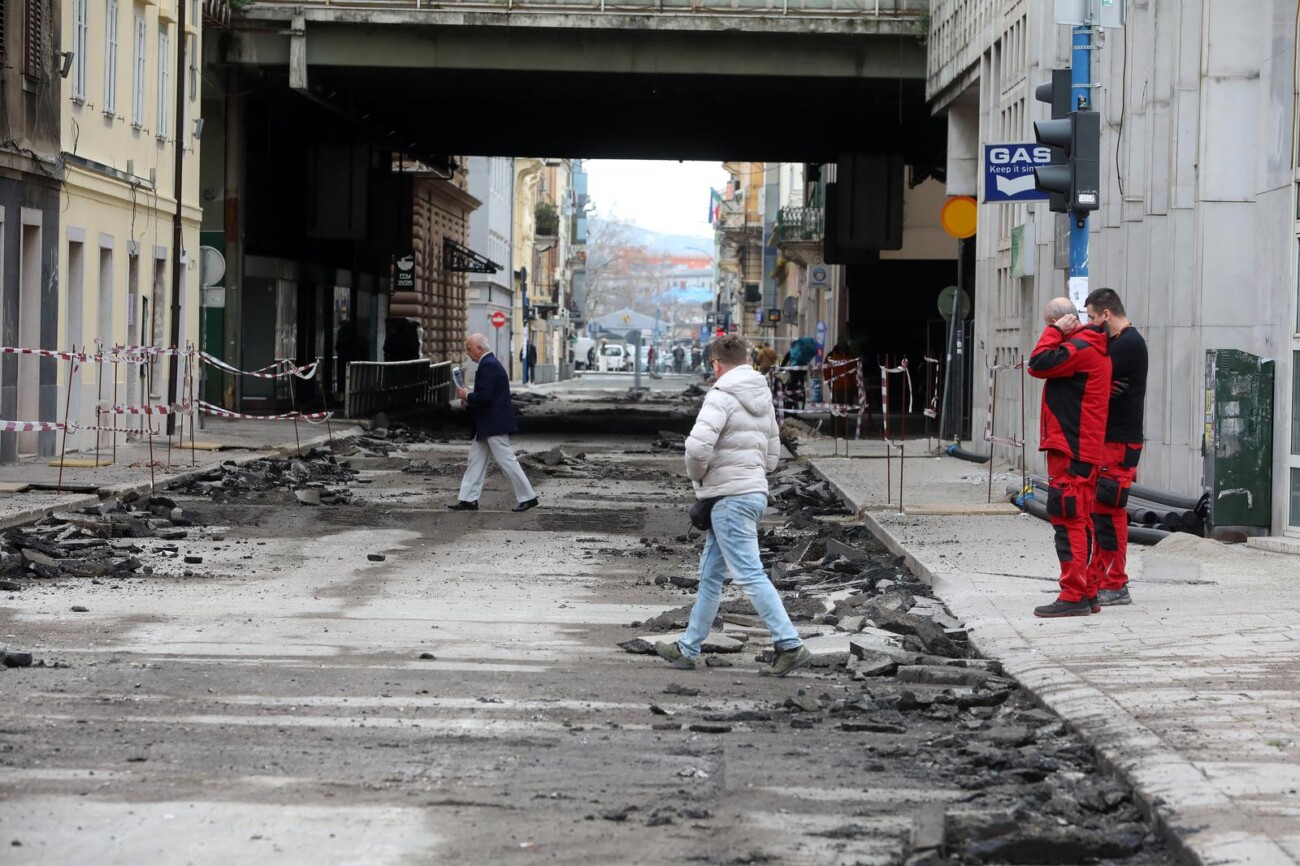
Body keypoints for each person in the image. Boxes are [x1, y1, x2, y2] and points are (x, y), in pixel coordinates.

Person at [655, 334, 811, 677]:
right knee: (711, 576)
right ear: (746, 360)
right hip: (751, 493)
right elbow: (772, 456)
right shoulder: (763, 397)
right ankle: (687, 648)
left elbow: (697, 449)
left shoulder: (721, 395)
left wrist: (699, 480)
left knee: (749, 574)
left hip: (728, 499)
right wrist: (749, 474)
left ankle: (790, 644)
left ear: (716, 364)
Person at [1026, 297, 1111, 618]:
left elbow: (1037, 363)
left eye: (1050, 324)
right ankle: (1087, 592)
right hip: (1082, 448)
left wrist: (1054, 332)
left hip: (1071, 448)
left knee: (1068, 518)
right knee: (1081, 519)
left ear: (1061, 322)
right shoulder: (1091, 347)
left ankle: (1073, 594)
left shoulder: (1079, 348)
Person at [1084, 288, 1147, 607]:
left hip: (1119, 442)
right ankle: (1103, 580)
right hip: (1111, 441)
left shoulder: (1128, 344)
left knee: (1108, 511)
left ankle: (1115, 582)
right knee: (1104, 511)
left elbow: (1091, 378)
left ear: (1106, 314)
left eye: (1092, 317)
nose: (1091, 324)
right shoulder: (1120, 343)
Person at [450, 333, 540, 513]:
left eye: (469, 349)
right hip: (487, 423)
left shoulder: (488, 365)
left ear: (479, 348)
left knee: (506, 460)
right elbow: (486, 395)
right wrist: (469, 398)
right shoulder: (489, 363)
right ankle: (468, 499)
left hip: (493, 423)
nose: (467, 353)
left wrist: (467, 395)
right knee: (476, 460)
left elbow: (485, 396)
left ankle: (528, 497)